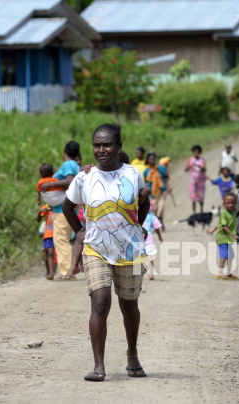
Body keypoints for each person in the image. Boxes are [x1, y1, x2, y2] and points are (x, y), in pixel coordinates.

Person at [62, 123, 151, 382]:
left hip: (130, 250)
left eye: (107, 144)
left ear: (119, 146)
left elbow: (143, 202)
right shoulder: (84, 177)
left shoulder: (133, 174)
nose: (101, 149)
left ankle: (132, 355)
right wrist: (80, 231)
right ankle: (98, 365)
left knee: (129, 306)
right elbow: (68, 207)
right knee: (100, 302)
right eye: (97, 145)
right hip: (95, 249)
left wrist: (138, 227)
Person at [39, 141, 81, 279]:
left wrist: (51, 184)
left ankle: (67, 271)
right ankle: (70, 269)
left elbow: (70, 181)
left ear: (64, 152)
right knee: (65, 239)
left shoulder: (68, 164)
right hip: (67, 209)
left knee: (61, 239)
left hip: (61, 210)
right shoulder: (76, 165)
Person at [207, 192, 239, 280]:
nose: (230, 205)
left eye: (232, 203)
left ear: (236, 203)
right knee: (225, 255)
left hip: (228, 238)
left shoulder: (233, 213)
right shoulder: (224, 213)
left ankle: (229, 273)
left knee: (231, 256)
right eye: (228, 203)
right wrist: (234, 235)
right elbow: (224, 226)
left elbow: (220, 223)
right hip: (222, 237)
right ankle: (219, 273)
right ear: (224, 204)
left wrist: (213, 229)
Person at [143, 152, 170, 222]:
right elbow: (145, 182)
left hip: (162, 191)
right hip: (152, 193)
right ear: (148, 160)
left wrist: (168, 186)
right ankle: (158, 223)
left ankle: (159, 220)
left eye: (153, 159)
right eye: (151, 159)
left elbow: (166, 178)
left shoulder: (160, 168)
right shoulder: (146, 171)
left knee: (161, 207)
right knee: (154, 209)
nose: (152, 160)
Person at [143, 200, 163, 280]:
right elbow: (157, 228)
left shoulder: (137, 215)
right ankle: (150, 274)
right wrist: (160, 237)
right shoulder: (151, 216)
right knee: (150, 256)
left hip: (138, 238)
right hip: (149, 238)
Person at [186, 145, 207, 214]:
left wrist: (199, 167)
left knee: (200, 196)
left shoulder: (202, 160)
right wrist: (190, 165)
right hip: (193, 181)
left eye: (197, 152)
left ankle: (201, 210)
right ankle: (194, 212)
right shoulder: (191, 159)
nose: (196, 153)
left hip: (200, 181)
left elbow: (204, 169)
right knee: (193, 197)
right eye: (195, 152)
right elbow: (186, 169)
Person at [37, 204, 56, 280]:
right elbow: (38, 219)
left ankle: (54, 272)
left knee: (55, 255)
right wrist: (40, 213)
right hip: (49, 234)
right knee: (50, 253)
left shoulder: (59, 206)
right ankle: (50, 273)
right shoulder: (45, 207)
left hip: (59, 233)